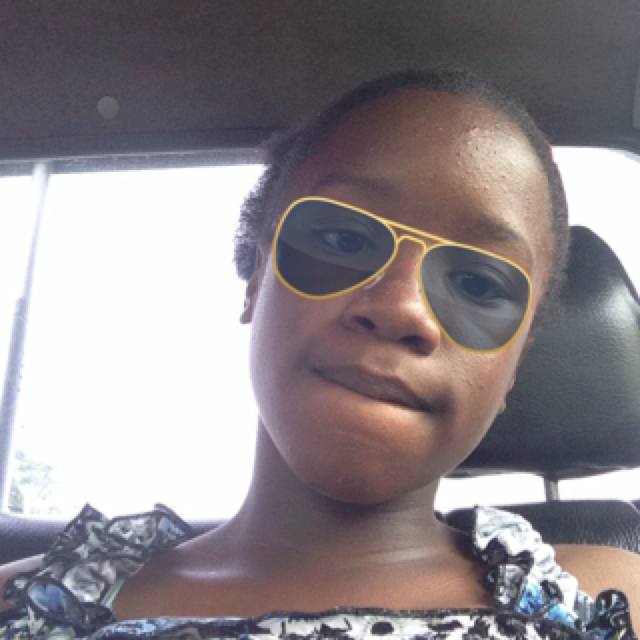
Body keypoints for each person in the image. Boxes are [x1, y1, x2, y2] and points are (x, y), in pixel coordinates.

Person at [1, 69, 638, 640]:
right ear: (256, 280)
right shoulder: (27, 605)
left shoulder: (610, 597)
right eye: (342, 238)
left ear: (514, 367)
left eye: (477, 283)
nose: (401, 307)